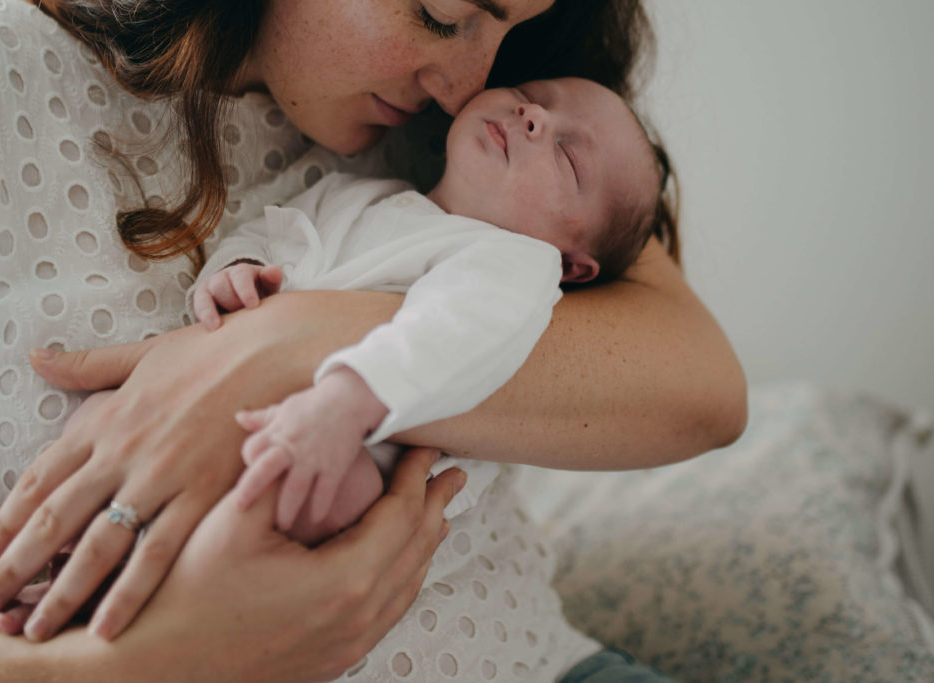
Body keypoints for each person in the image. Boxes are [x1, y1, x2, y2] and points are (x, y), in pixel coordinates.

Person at [0, 0, 746, 680]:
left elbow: (702, 387)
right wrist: (126, 664)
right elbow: (284, 239)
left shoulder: (497, 175)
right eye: (439, 14)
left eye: (507, 30)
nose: (471, 85)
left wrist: (283, 344)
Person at [191, 77, 662, 543]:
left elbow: (450, 334)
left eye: (568, 156)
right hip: (252, 397)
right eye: (529, 95)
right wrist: (240, 268)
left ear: (570, 266)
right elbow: (277, 232)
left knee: (333, 494)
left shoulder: (521, 262)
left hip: (363, 444)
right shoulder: (362, 193)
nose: (533, 115)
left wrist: (346, 402)